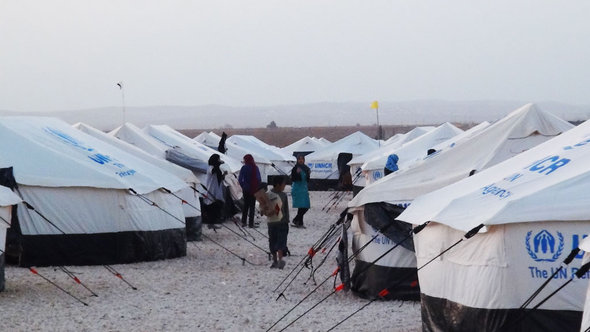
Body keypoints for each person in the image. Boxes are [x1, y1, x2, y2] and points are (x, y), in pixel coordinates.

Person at [266, 176, 289, 269]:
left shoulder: (269, 194)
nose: (285, 186)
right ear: (279, 185)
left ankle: (278, 260)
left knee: (275, 241)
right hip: (278, 222)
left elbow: (286, 209)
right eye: (284, 184)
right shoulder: (273, 195)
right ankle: (277, 260)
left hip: (275, 222)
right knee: (278, 241)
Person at [202, 154, 226, 229]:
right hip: (211, 189)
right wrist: (218, 163)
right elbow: (213, 172)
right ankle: (211, 223)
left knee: (216, 206)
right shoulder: (211, 168)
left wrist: (224, 174)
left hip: (217, 190)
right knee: (212, 206)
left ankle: (213, 222)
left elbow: (219, 177)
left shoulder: (217, 168)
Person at [238, 154, 261, 228]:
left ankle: (243, 222)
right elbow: (258, 178)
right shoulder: (255, 168)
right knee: (252, 206)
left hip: (246, 189)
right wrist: (257, 187)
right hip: (253, 189)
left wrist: (243, 186)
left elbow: (240, 179)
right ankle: (251, 223)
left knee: (245, 206)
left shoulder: (244, 168)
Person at [290, 155, 310, 228]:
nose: (301, 160)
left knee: (306, 206)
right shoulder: (295, 168)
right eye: (299, 159)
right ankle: (300, 222)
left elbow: (307, 180)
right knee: (301, 206)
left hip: (304, 188)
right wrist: (297, 173)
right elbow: (293, 179)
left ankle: (296, 219)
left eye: (302, 159)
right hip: (297, 188)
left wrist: (308, 174)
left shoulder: (306, 168)